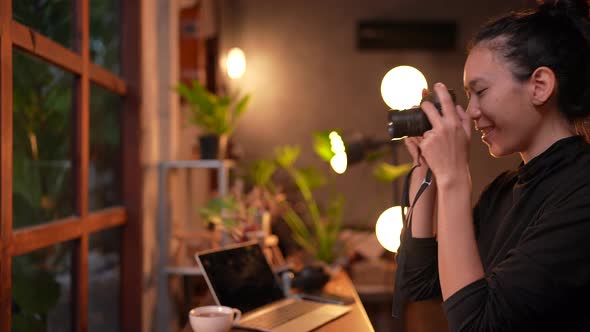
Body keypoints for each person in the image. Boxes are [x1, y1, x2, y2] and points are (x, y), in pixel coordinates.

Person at [393, 0, 590, 331]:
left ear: (540, 86)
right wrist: (427, 170)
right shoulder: (502, 191)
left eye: (480, 91)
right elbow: (419, 285)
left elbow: (478, 325)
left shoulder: (581, 191)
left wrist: (454, 177)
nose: (471, 112)